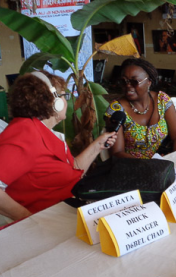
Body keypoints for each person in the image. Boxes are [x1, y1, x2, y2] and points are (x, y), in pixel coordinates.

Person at [0, 71, 118, 225]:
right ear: (54, 101)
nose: (66, 101)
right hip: (40, 225)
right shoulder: (24, 134)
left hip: (62, 214)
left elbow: (73, 169)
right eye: (64, 96)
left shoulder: (44, 132)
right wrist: (28, 218)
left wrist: (97, 145)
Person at [105, 58, 176, 159]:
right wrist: (148, 164)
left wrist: (174, 159)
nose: (128, 85)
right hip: (132, 166)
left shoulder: (162, 100)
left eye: (134, 82)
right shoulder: (116, 110)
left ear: (149, 82)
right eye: (123, 81)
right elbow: (117, 152)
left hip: (165, 161)